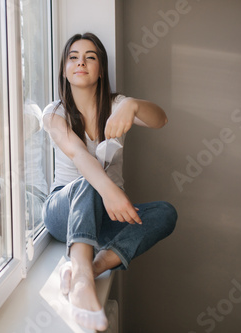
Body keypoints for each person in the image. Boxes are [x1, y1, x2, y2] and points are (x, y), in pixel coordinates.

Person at [42, 32, 178, 331]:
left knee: (166, 213)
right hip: (63, 211)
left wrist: (130, 105)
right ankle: (80, 277)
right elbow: (79, 156)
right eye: (73, 57)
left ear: (100, 69)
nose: (81, 62)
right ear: (65, 69)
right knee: (90, 178)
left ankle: (95, 266)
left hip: (101, 217)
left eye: (90, 57)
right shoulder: (55, 112)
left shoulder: (117, 105)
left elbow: (161, 119)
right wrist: (110, 191)